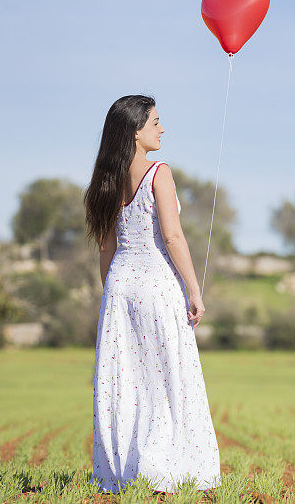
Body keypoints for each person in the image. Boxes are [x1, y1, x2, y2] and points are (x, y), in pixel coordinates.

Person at [83, 95, 221, 493]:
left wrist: (111, 297)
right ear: (135, 131)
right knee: (166, 375)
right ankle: (164, 467)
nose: (162, 129)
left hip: (120, 286)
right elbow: (173, 236)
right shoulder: (159, 173)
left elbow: (106, 250)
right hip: (156, 285)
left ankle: (122, 471)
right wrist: (194, 290)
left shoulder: (104, 181)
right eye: (156, 122)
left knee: (125, 379)